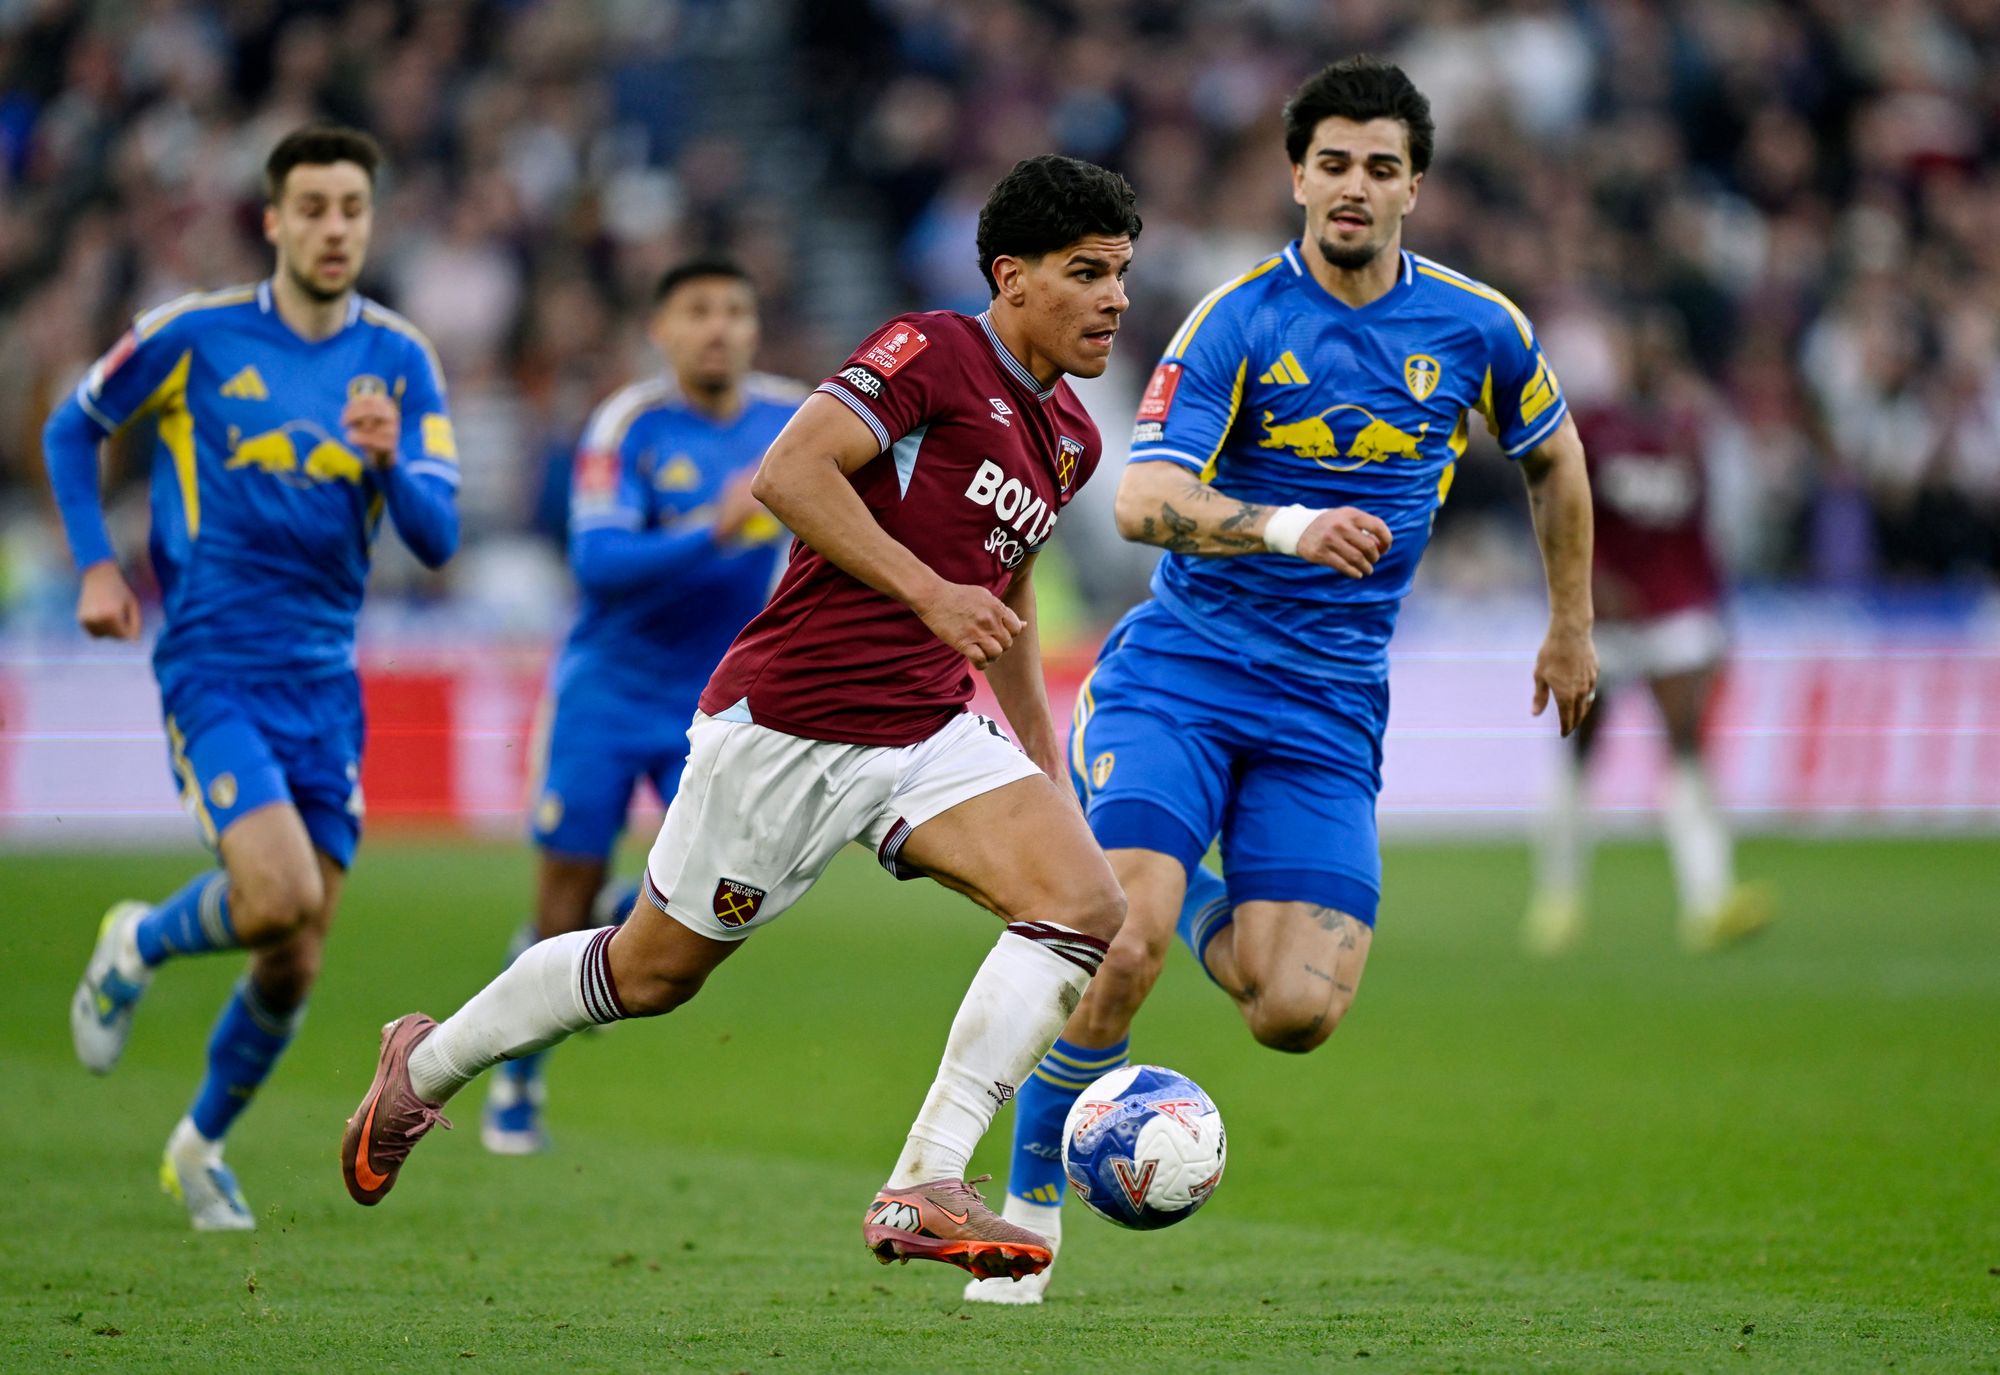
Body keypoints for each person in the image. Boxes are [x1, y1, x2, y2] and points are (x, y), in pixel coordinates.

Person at [341, 154, 1140, 1285]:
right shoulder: (929, 350)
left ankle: (924, 1177)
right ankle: (421, 1068)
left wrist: (1042, 761)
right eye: (1088, 272)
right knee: (650, 974)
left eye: (1121, 273)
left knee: (1084, 904)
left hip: (921, 733)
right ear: (1012, 277)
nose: (1115, 298)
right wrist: (928, 593)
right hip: (788, 723)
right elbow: (788, 474)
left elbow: (1000, 586)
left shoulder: (1071, 438)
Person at [972, 56, 1597, 1304]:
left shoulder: (1476, 326)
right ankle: (1027, 1205)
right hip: (1183, 677)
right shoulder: (1237, 320)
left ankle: (1174, 891)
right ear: (1296, 177)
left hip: (1326, 705)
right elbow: (1142, 497)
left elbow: (1554, 458)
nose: (1353, 185)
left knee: (1293, 1010)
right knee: (1123, 937)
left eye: (1379, 167)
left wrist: (1569, 625)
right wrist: (1286, 525)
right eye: (1331, 163)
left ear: (1413, 186)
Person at [50, 124, 460, 1231]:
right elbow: (70, 428)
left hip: (325, 685)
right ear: (274, 220)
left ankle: (199, 1147)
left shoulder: (403, 361)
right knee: (275, 895)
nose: (334, 228)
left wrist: (389, 461)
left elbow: (436, 537)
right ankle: (136, 940)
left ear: (370, 223)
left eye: (352, 209)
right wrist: (95, 563)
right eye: (313, 208)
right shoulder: (194, 335)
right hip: (215, 663)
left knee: (293, 957)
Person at [483, 260, 804, 1155]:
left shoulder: (795, 418)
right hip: (609, 690)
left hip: (720, 699)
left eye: (735, 310)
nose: (719, 327)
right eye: (697, 311)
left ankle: (610, 933)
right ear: (661, 331)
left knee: (740, 881)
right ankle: (517, 1079)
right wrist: (715, 525)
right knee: (560, 902)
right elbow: (600, 563)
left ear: (755, 328)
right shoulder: (629, 425)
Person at [1523, 309, 1772, 956]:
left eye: (1662, 351)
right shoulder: (1592, 430)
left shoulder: (1689, 431)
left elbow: (1701, 528)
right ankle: (1557, 897)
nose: (1651, 361)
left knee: (1686, 745)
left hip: (1677, 609)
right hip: (1605, 618)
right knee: (1583, 749)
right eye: (1642, 349)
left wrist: (1713, 610)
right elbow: (1560, 507)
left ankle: (1709, 901)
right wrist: (1585, 582)